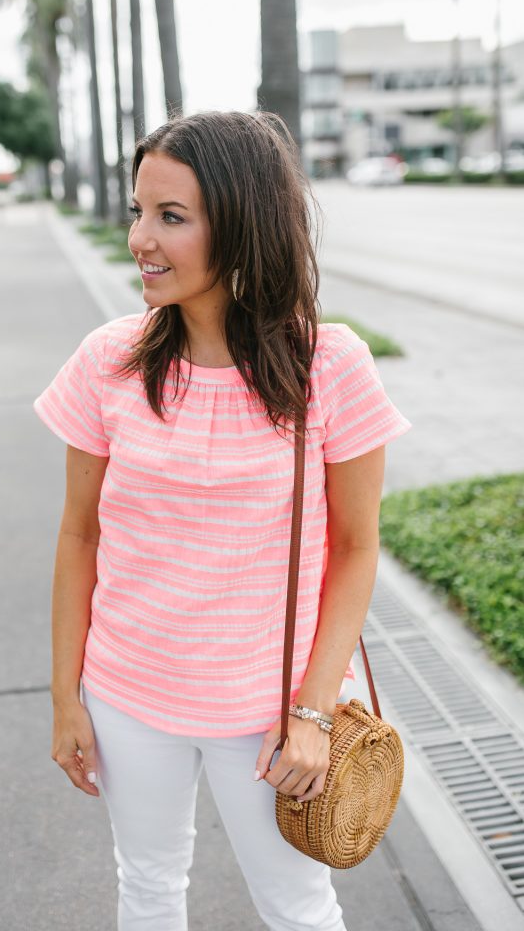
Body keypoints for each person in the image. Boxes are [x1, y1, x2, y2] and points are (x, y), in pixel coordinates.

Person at [33, 110, 412, 931]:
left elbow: (353, 548)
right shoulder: (108, 360)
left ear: (242, 226)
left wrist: (312, 712)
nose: (141, 238)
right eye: (138, 210)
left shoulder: (330, 364)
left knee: (298, 908)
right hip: (129, 691)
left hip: (270, 713)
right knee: (148, 887)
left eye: (171, 217)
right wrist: (66, 695)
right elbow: (79, 535)